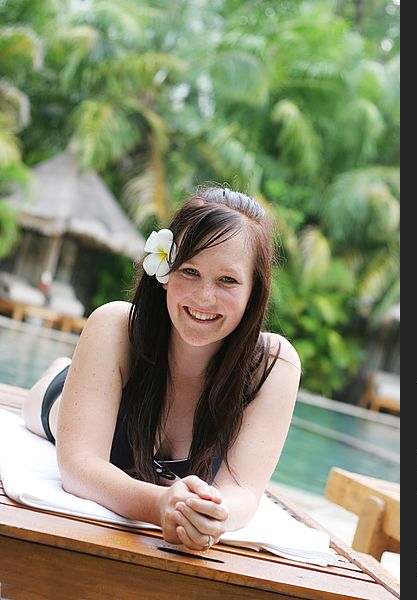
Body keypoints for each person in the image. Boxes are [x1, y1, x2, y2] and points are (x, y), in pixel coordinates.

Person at [22, 186, 301, 551]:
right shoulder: (116, 326)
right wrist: (158, 504)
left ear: (254, 290)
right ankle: (66, 369)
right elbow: (79, 466)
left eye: (228, 280)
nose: (204, 297)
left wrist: (210, 514)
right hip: (60, 400)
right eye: (190, 271)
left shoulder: (272, 364)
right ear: (165, 271)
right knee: (47, 398)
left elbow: (243, 491)